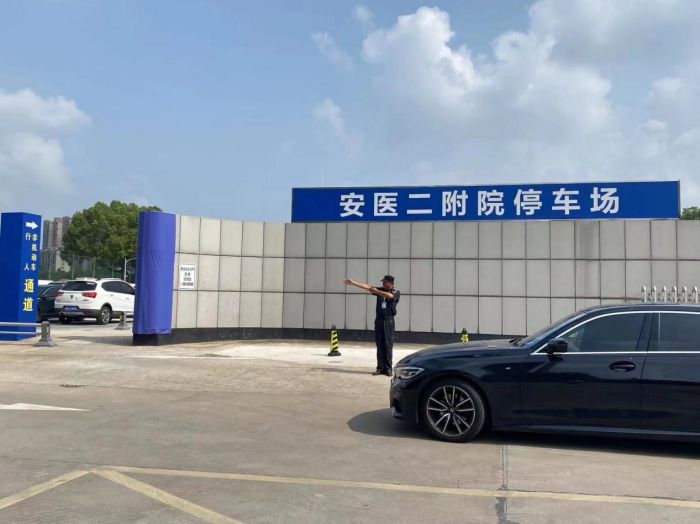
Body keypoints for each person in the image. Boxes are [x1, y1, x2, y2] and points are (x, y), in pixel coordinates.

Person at [344, 275, 400, 376]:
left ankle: (388, 369)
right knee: (379, 345)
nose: (383, 284)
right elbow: (368, 287)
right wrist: (354, 283)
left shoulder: (396, 291)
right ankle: (380, 368)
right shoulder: (380, 290)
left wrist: (376, 291)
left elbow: (389, 296)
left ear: (391, 283)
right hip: (379, 319)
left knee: (387, 345)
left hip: (388, 320)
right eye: (383, 282)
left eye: (385, 282)